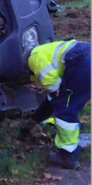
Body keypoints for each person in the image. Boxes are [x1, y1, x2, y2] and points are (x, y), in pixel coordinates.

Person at [25, 39, 91, 169]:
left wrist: (56, 98)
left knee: (64, 111)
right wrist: (34, 121)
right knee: (69, 102)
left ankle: (67, 156)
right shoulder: (48, 54)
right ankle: (71, 141)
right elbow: (53, 97)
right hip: (85, 61)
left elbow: (54, 86)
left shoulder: (33, 57)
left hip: (82, 64)